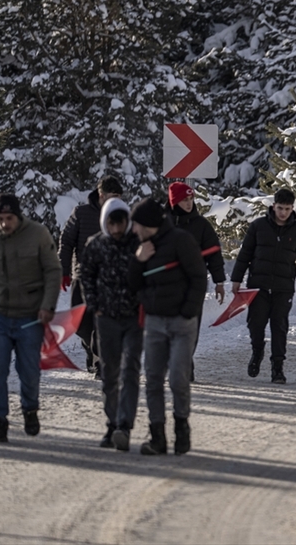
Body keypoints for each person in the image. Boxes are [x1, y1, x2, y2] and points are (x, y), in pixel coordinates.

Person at [0, 193, 61, 443]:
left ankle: (30, 409)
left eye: (10, 218)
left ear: (18, 216)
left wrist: (48, 305)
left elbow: (53, 270)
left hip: (30, 316)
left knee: (28, 370)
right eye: (0, 218)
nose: (5, 223)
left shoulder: (38, 234)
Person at [127, 198, 207, 455]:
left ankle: (182, 428)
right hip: (154, 322)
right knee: (152, 379)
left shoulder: (181, 240)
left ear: (149, 224)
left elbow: (198, 277)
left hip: (182, 322)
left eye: (137, 224)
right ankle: (157, 435)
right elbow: (132, 285)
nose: (134, 229)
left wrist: (188, 311)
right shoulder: (142, 246)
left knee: (178, 379)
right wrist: (139, 261)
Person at [230, 188, 296, 385]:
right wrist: (236, 279)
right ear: (273, 206)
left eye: (287, 208)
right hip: (258, 286)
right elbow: (245, 254)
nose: (283, 212)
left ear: (293, 208)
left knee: (279, 327)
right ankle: (257, 351)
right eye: (280, 208)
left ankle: (278, 368)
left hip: (283, 288)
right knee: (255, 324)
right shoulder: (258, 226)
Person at [80, 198, 141, 451]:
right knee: (109, 373)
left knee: (130, 372)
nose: (116, 229)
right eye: (111, 223)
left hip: (134, 319)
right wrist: (95, 306)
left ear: (127, 222)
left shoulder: (138, 244)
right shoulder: (96, 245)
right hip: (106, 320)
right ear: (105, 223)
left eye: (121, 223)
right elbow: (86, 276)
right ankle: (112, 422)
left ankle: (124, 426)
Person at [59, 175, 124, 378]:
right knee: (81, 323)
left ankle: (101, 362)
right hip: (83, 275)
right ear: (101, 195)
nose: (116, 201)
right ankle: (91, 350)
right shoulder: (81, 213)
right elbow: (67, 241)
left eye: (119, 197)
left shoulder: (122, 215)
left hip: (110, 278)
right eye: (112, 196)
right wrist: (64, 271)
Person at [166, 182, 225, 382]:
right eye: (184, 200)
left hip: (194, 286)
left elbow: (214, 254)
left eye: (191, 199)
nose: (189, 203)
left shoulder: (201, 225)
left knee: (191, 327)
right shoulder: (162, 223)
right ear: (175, 201)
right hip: (167, 286)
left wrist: (219, 281)